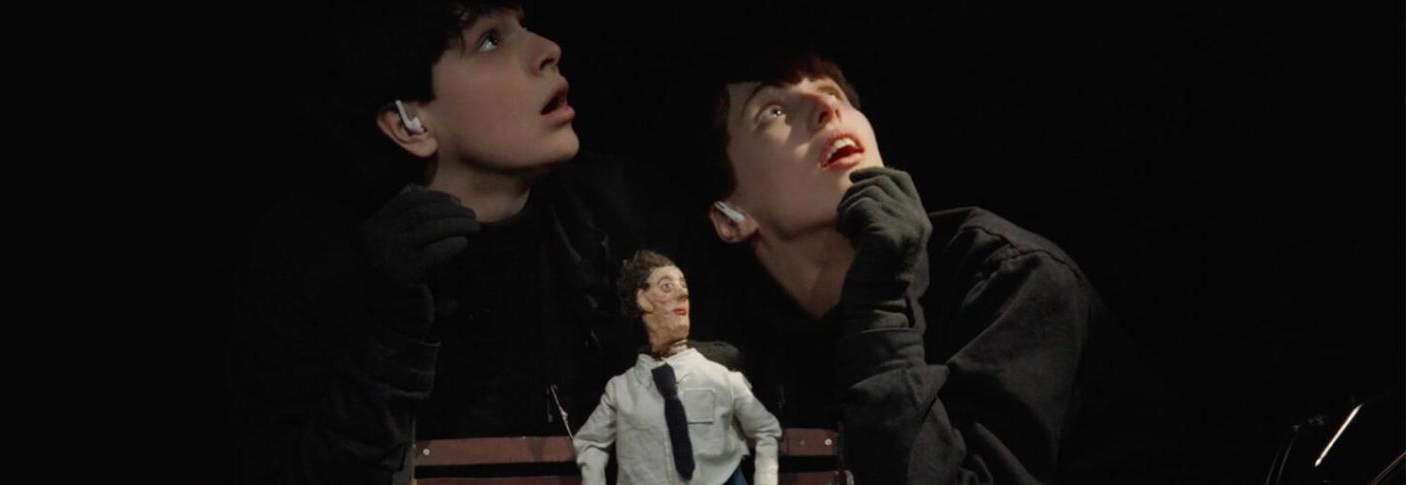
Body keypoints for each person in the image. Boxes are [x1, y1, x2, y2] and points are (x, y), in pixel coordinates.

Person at [227, 1, 650, 483]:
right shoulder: (311, 260)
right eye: (490, 41)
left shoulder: (626, 215)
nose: (549, 50)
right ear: (409, 122)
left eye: (524, 26)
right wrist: (392, 333)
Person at [690, 52, 1154, 484]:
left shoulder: (1008, 275)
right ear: (730, 217)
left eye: (832, 92)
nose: (825, 108)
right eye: (773, 111)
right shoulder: (739, 370)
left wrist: (881, 307)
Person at [573, 250, 782, 485]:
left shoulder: (721, 378)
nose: (683, 294)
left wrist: (765, 479)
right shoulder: (622, 391)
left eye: (683, 286)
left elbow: (765, 429)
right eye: (666, 286)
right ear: (642, 299)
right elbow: (590, 441)